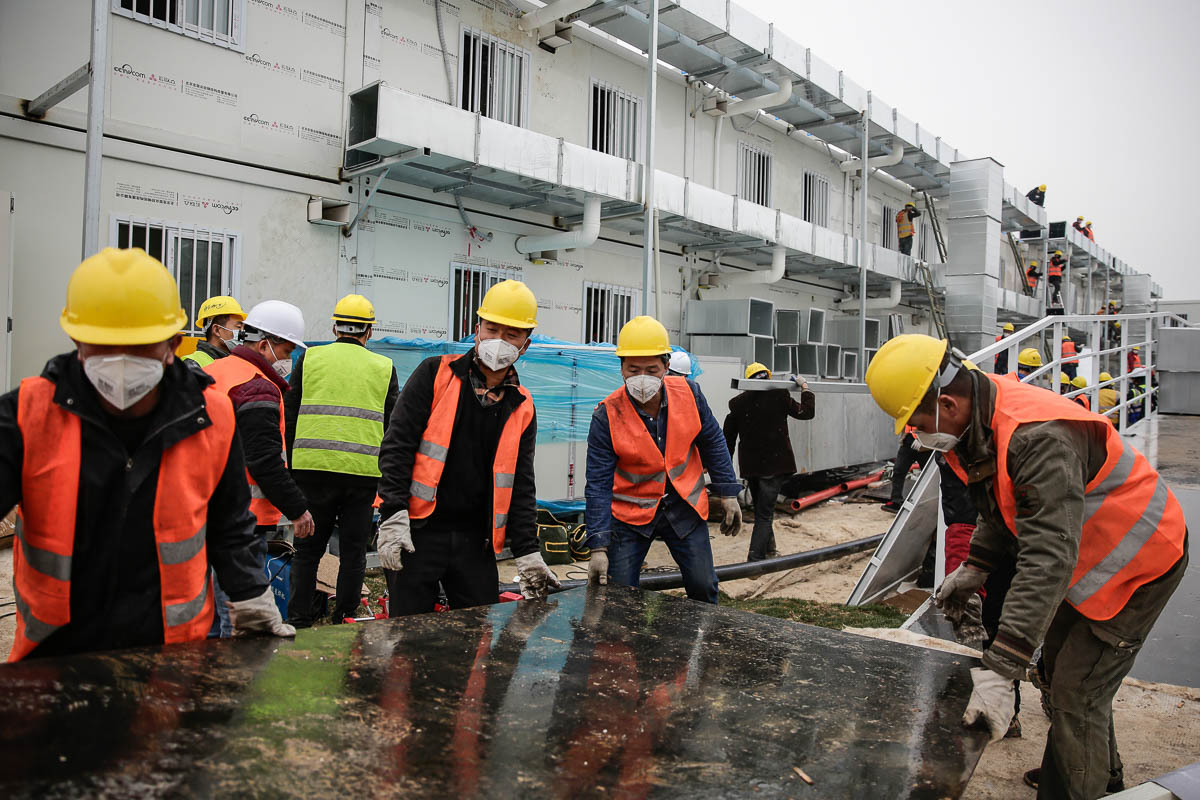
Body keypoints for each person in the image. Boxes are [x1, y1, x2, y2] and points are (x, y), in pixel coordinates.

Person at [865, 334, 1187, 799]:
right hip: (1084, 555)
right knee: (1058, 672)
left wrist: (1001, 670)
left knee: (1078, 690)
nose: (915, 434)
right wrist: (976, 565)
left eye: (916, 422)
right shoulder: (982, 417)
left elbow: (1046, 558)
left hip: (1140, 561)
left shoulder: (1037, 438)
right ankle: (1094, 769)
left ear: (949, 403)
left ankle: (1076, 786)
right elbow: (1005, 505)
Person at [0, 248, 293, 661]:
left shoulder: (211, 414)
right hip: (56, 659)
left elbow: (229, 523)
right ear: (76, 341)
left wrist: (249, 596)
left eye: (139, 347)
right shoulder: (26, 414)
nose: (120, 362)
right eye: (104, 346)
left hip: (174, 661)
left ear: (175, 343)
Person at [375, 279, 557, 614]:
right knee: (409, 637)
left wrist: (527, 551)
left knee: (475, 642)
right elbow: (397, 446)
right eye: (492, 328)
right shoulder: (434, 374)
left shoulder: (522, 405)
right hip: (419, 533)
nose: (498, 340)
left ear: (525, 345)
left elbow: (520, 484)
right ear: (476, 330)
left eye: (511, 334)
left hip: (477, 543)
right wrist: (393, 515)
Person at [584, 316, 742, 604]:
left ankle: (699, 645)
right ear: (621, 368)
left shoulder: (691, 395)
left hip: (683, 507)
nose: (642, 377)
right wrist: (598, 546)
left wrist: (728, 492)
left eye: (651, 369)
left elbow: (713, 441)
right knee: (619, 597)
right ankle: (624, 647)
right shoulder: (606, 415)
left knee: (704, 586)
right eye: (633, 369)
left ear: (666, 366)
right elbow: (597, 484)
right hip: (630, 518)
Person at [283, 294, 400, 627]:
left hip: (311, 471)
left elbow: (290, 413)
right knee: (353, 554)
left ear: (335, 326)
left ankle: (299, 620)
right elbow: (392, 425)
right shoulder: (383, 367)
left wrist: (294, 464)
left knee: (307, 552)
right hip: (361, 476)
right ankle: (345, 618)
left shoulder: (309, 358)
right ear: (369, 331)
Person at [205, 300, 315, 555]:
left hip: (208, 505)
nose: (288, 361)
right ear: (265, 344)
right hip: (242, 516)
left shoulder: (215, 371)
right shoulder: (257, 387)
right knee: (241, 593)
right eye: (287, 352)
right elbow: (264, 459)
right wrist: (297, 509)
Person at [723, 362, 815, 559]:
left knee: (761, 511)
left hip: (752, 467)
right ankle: (755, 559)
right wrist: (805, 388)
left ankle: (770, 551)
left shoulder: (737, 403)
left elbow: (727, 438)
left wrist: (723, 466)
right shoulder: (779, 395)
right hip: (774, 466)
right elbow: (807, 412)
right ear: (768, 377)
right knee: (765, 515)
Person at [182, 296, 246, 368]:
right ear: (217, 330)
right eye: (238, 327)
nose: (243, 333)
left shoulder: (237, 363)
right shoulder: (192, 365)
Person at [881, 427, 932, 513]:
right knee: (898, 470)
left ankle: (929, 503)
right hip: (908, 439)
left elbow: (932, 423)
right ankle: (896, 501)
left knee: (927, 474)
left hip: (924, 444)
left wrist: (923, 439)